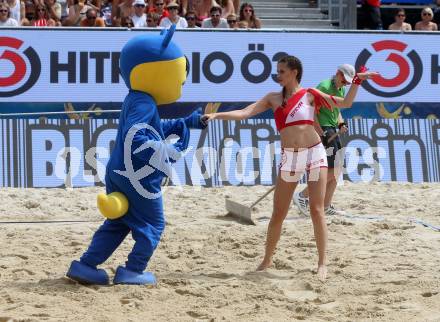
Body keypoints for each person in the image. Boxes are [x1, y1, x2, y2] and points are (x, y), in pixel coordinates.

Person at [203, 56, 378, 281]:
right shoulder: (273, 98)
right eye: (277, 71)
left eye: (282, 71)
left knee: (317, 210)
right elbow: (245, 113)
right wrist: (216, 115)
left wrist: (357, 82)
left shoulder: (310, 95)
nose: (278, 75)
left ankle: (322, 263)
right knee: (278, 213)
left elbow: (345, 104)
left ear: (294, 72)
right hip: (291, 158)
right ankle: (267, 259)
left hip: (314, 154)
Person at [293, 64, 354, 217]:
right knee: (330, 170)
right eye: (344, 80)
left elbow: (336, 109)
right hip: (324, 129)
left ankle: (326, 206)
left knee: (337, 169)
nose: (346, 84)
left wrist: (341, 122)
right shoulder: (324, 87)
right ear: (338, 73)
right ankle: (302, 196)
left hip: (332, 128)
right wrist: (321, 133)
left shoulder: (341, 88)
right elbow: (310, 111)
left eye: (348, 82)